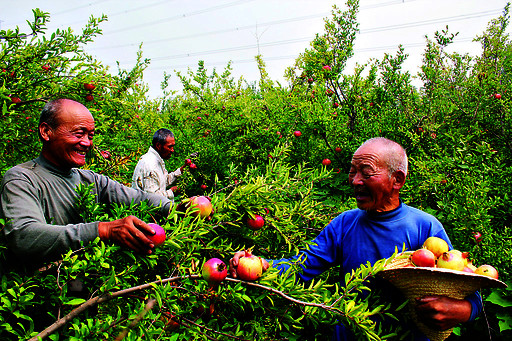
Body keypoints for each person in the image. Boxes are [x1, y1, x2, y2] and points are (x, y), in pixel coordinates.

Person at [230, 137, 482, 340]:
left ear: (397, 180)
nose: (355, 181)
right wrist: (262, 264)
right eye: (352, 172)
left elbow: (466, 287)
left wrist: (463, 310)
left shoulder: (424, 227)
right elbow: (303, 266)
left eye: (366, 172)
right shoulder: (345, 224)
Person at [0, 99, 171, 267]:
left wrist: (178, 208)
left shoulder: (91, 180)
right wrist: (104, 230)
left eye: (90, 136)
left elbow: (140, 198)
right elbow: (25, 236)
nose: (87, 143)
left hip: (85, 286)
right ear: (46, 132)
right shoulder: (21, 179)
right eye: (78, 133)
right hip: (41, 289)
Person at [132, 128, 188, 202]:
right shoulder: (150, 165)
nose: (172, 150)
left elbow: (163, 181)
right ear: (158, 145)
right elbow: (151, 198)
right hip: (145, 211)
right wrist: (171, 192)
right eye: (169, 147)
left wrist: (183, 169)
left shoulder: (156, 159)